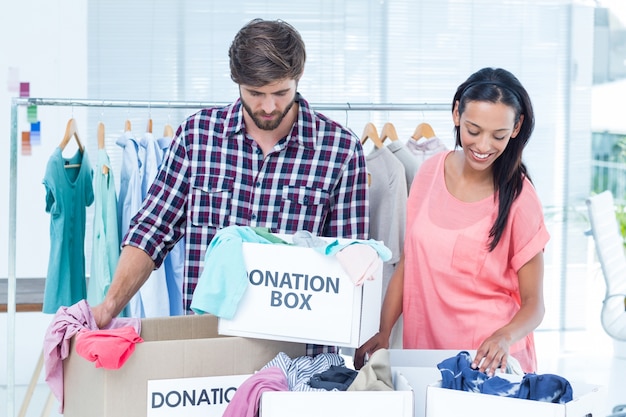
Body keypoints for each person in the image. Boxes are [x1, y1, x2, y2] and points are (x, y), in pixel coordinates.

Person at [91, 18, 370, 356]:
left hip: (297, 356)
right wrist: (109, 307)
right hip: (209, 349)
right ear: (237, 82)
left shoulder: (340, 150)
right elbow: (151, 230)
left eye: (281, 93)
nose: (268, 107)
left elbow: (349, 265)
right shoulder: (197, 138)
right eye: (256, 94)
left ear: (298, 79)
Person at [354, 67, 549, 374]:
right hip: (425, 358)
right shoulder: (429, 172)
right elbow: (409, 263)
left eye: (498, 135)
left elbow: (534, 304)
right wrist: (383, 330)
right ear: (457, 113)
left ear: (516, 127)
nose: (484, 146)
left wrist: (503, 336)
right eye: (473, 130)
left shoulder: (520, 198)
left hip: (488, 362)